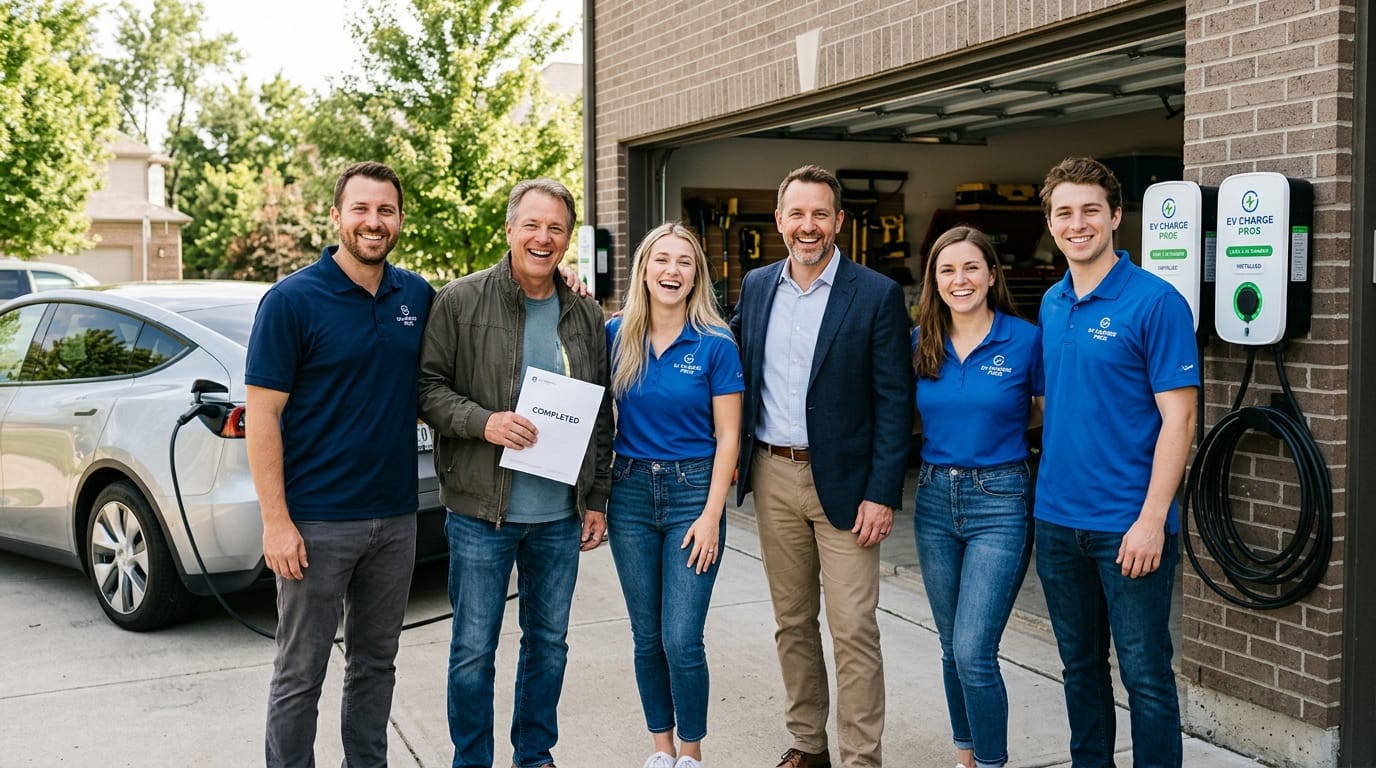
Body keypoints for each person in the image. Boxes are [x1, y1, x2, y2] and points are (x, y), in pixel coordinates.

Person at [417, 178, 614, 768]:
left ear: (567, 239)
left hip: (558, 516)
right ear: (509, 229)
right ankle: (471, 760)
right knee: (473, 651)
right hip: (481, 513)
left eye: (555, 227)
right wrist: (485, 423)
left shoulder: (584, 313)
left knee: (548, 648)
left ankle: (534, 755)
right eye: (531, 224)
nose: (542, 237)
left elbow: (600, 413)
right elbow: (427, 390)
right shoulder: (460, 301)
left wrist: (597, 497)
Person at [246, 161, 435, 767]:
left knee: (376, 665)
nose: (373, 222)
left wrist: (562, 284)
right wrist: (277, 521)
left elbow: (484, 318)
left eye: (385, 211)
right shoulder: (292, 301)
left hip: (396, 518)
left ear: (400, 220)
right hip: (317, 523)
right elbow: (263, 416)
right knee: (301, 672)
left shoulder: (418, 297)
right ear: (336, 217)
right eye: (361, 209)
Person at [731, 164, 912, 768]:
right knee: (793, 623)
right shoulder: (756, 286)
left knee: (854, 628)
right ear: (779, 220)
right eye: (796, 214)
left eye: (820, 214)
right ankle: (808, 746)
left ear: (838, 221)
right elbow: (707, 342)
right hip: (771, 474)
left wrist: (883, 492)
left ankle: (861, 758)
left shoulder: (876, 294)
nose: (808, 226)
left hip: (849, 485)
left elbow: (894, 400)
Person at [1034, 156, 1198, 768]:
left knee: (1147, 677)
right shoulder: (1051, 303)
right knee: (1079, 672)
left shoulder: (1156, 303)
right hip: (1055, 523)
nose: (1078, 224)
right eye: (1064, 213)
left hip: (1129, 526)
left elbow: (1180, 420)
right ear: (1051, 223)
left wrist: (1153, 518)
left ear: (1116, 216)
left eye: (1090, 211)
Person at [605, 222, 744, 768]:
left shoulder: (715, 344)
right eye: (661, 260)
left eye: (684, 261)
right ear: (643, 269)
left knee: (682, 638)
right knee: (646, 637)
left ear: (696, 274)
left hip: (693, 494)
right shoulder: (616, 335)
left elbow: (729, 435)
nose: (672, 270)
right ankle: (661, 750)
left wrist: (712, 515)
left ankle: (691, 752)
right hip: (631, 494)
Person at [910, 226, 1043, 768]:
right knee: (950, 648)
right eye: (947, 270)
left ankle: (990, 762)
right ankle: (965, 757)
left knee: (973, 650)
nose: (959, 280)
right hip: (934, 499)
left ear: (992, 275)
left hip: (1001, 500)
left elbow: (1042, 413)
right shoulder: (919, 341)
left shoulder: (1025, 339)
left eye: (970, 268)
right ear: (934, 281)